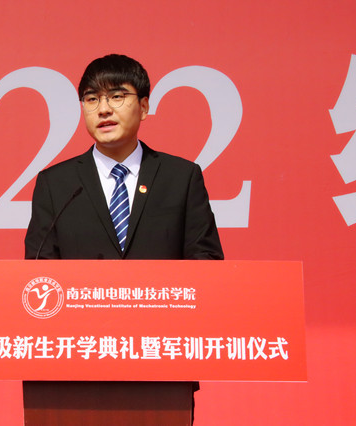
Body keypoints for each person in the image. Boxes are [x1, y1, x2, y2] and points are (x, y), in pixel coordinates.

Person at [24, 54, 224, 425]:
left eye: (117, 96)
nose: (103, 109)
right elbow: (38, 273)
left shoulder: (181, 177)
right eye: (91, 99)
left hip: (160, 363)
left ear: (144, 106)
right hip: (74, 366)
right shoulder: (56, 183)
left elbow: (207, 264)